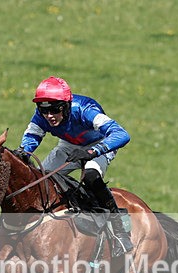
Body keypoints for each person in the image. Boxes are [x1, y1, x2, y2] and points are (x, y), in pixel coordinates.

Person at [15, 76, 134, 256]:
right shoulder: (41, 116)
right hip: (69, 145)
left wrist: (92, 152)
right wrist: (23, 152)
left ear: (66, 106)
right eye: (43, 110)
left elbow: (122, 134)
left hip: (100, 144)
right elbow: (32, 136)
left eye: (55, 110)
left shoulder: (85, 110)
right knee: (42, 180)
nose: (49, 116)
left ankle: (119, 229)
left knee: (91, 175)